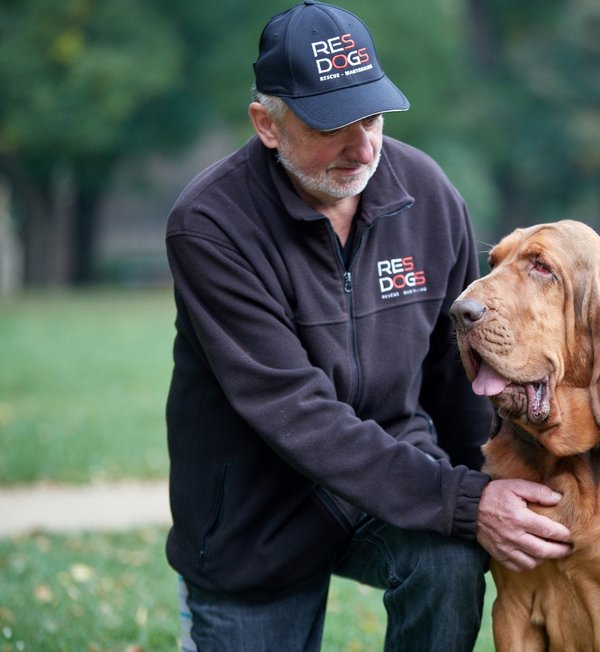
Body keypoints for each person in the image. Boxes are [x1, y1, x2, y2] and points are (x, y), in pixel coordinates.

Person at [163, 2, 573, 650]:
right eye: (333, 126)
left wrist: (490, 487)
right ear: (267, 125)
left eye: (373, 117)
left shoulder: (428, 195)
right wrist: (462, 500)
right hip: (253, 513)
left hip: (398, 478)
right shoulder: (211, 225)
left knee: (447, 562)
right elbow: (294, 410)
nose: (363, 147)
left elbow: (458, 375)